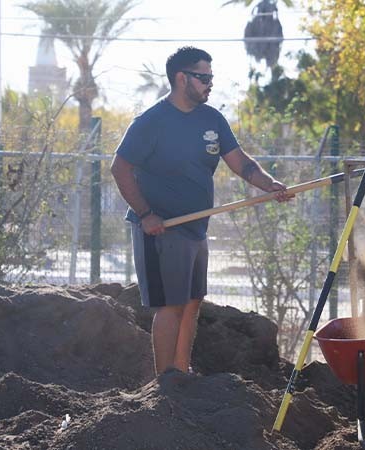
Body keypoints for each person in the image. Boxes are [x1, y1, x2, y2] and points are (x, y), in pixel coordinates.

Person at [111, 46, 292, 376]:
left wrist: (270, 184)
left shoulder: (212, 119)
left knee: (192, 302)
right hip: (162, 228)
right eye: (204, 77)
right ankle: (166, 382)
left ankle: (183, 372)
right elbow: (120, 168)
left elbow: (241, 162)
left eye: (211, 77)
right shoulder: (151, 122)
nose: (210, 83)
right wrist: (146, 213)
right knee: (171, 305)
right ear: (182, 79)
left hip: (196, 227)